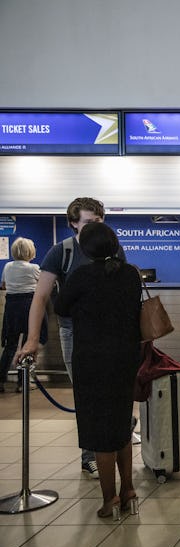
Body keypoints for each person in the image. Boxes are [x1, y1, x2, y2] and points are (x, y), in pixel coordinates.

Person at [16, 197, 125, 479]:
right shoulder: (60, 251)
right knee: (86, 394)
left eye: (99, 222)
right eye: (88, 222)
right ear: (73, 223)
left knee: (113, 393)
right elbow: (40, 297)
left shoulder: (113, 249)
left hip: (109, 332)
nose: (94, 227)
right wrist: (31, 339)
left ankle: (113, 442)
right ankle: (90, 454)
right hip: (74, 332)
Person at [52, 222, 141, 519]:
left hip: (92, 361)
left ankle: (109, 499)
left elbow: (62, 308)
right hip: (126, 359)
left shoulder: (80, 276)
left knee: (100, 431)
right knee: (121, 425)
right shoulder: (130, 274)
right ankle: (129, 490)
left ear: (85, 249)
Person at [1, 238, 48, 392]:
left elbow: (4, 285)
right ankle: (22, 383)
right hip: (29, 306)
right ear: (30, 251)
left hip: (11, 307)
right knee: (26, 345)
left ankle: (1, 381)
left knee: (10, 345)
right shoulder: (33, 267)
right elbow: (44, 284)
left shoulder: (7, 266)